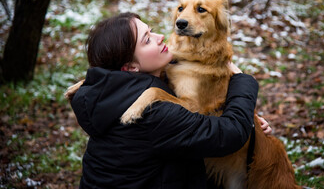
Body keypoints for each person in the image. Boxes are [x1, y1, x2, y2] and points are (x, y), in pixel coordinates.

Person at [68, 12, 271, 189]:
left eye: (152, 31)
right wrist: (239, 78)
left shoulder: (110, 91)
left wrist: (246, 116)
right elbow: (231, 133)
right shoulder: (152, 112)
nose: (160, 37)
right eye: (147, 40)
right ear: (130, 67)